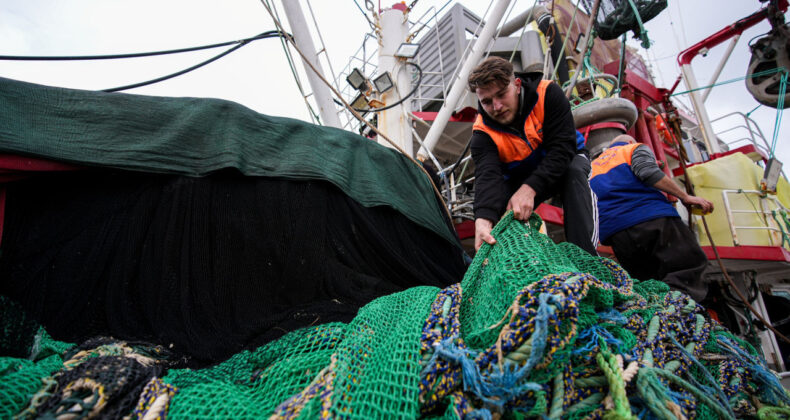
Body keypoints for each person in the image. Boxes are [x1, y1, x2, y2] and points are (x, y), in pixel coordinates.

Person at [468, 56, 598, 255]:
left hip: (567, 159)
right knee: (497, 211)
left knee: (574, 174)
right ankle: (516, 267)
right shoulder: (481, 133)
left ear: (517, 85)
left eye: (502, 94)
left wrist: (530, 188)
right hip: (519, 175)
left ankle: (585, 258)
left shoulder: (548, 94)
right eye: (486, 101)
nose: (497, 107)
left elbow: (562, 148)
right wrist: (483, 218)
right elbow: (488, 175)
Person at [589, 134, 714, 301]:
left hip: (617, 234)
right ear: (630, 141)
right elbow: (648, 172)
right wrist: (685, 197)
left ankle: (654, 315)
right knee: (688, 267)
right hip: (652, 219)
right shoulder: (632, 149)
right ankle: (678, 310)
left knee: (646, 281)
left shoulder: (591, 167)